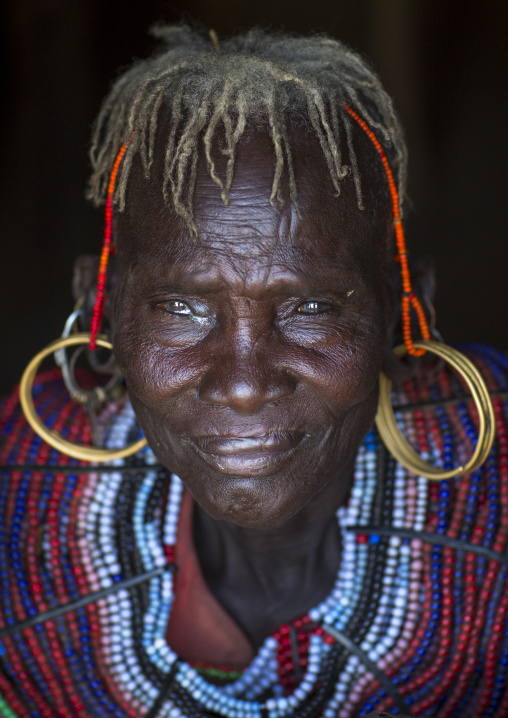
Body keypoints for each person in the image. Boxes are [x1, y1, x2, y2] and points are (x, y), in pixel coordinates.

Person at [0, 24, 506, 718]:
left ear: (403, 304)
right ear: (101, 309)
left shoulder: (494, 500)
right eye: (180, 306)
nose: (243, 384)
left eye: (311, 307)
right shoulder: (22, 511)